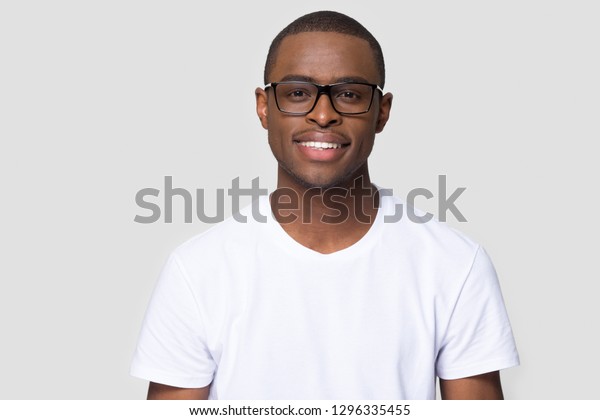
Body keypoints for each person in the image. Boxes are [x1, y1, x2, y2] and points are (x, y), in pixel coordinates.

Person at [130, 10, 519, 400]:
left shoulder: (455, 264)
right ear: (264, 107)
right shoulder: (197, 271)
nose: (323, 114)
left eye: (349, 94)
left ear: (381, 112)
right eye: (298, 92)